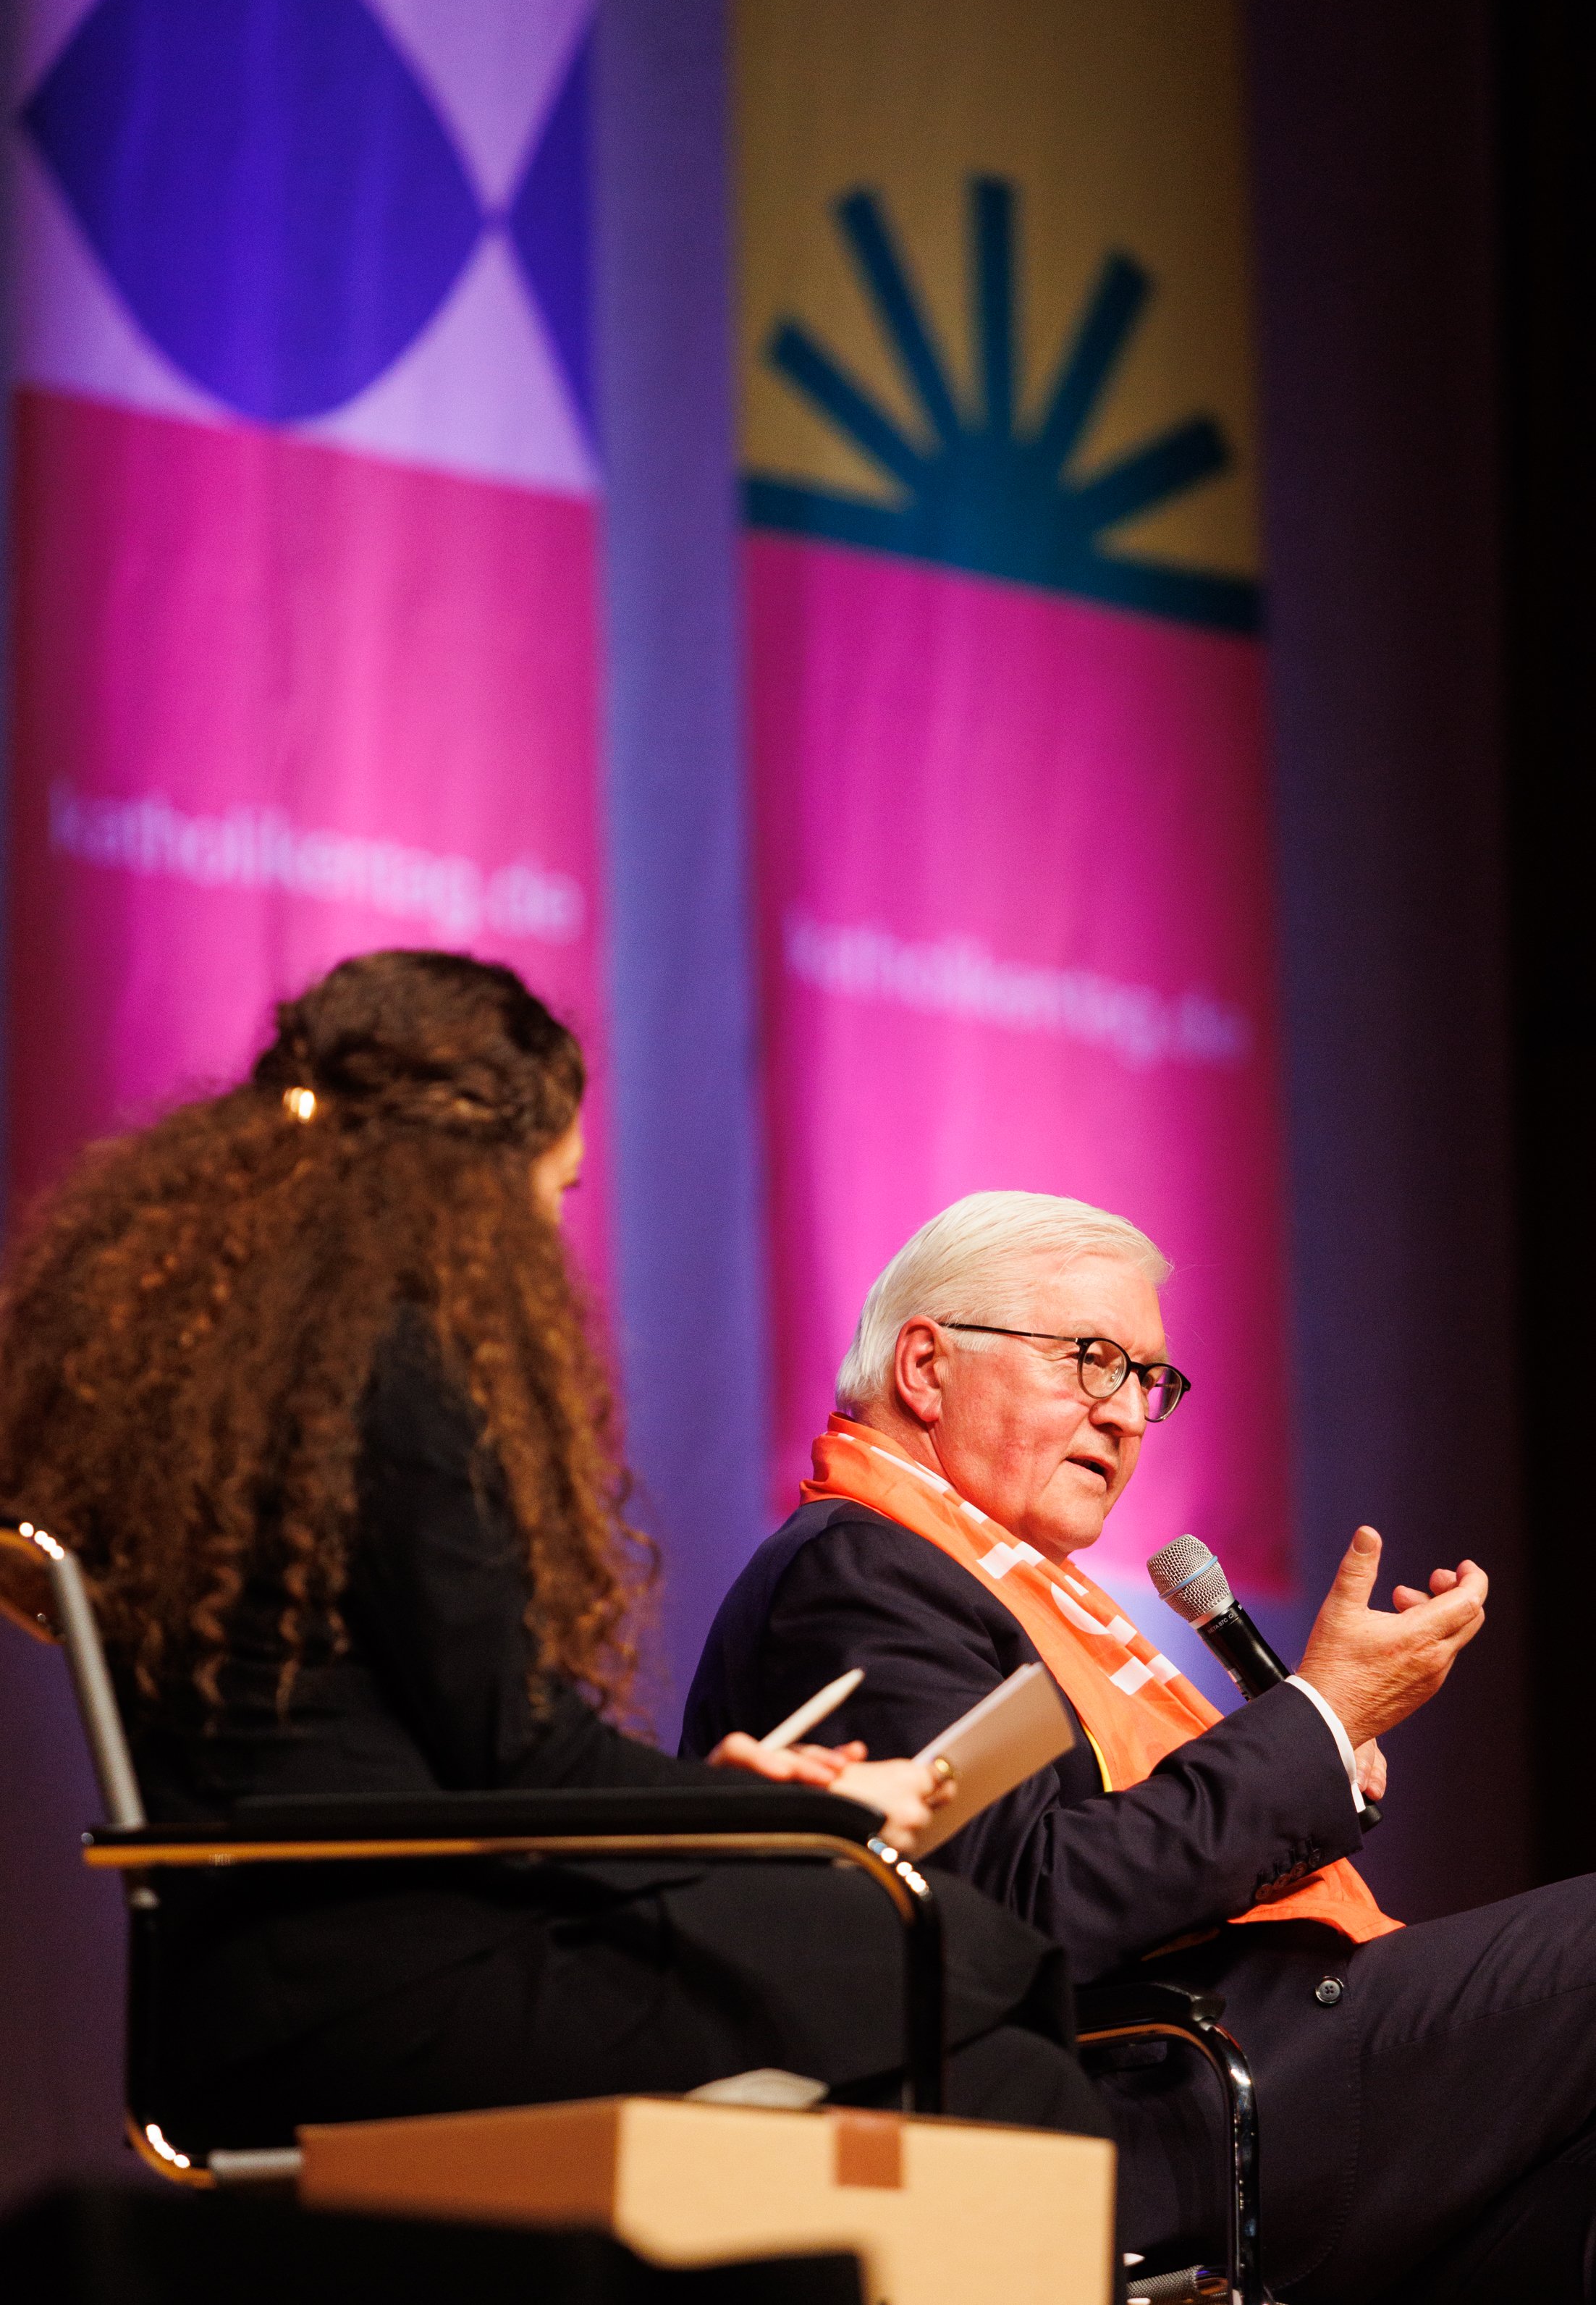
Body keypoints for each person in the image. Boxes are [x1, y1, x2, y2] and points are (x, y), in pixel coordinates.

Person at [0, 963, 1108, 2152]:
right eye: (550, 1190)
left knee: (940, 1999)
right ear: (468, 1181)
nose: (544, 1233)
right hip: (391, 1984)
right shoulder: (392, 1378)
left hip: (260, 1984)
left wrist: (732, 1797)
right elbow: (514, 1759)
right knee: (956, 1958)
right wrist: (791, 1806)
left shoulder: (210, 1375)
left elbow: (435, 1750)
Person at [684, 1189, 1596, 2303]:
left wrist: (1313, 1744)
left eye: (1144, 1378)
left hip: (1232, 2064)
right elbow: (1023, 1903)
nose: (1124, 1414)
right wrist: (1316, 1719)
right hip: (1156, 2095)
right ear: (924, 1369)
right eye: (1088, 1360)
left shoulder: (1008, 1585)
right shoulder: (860, 1576)